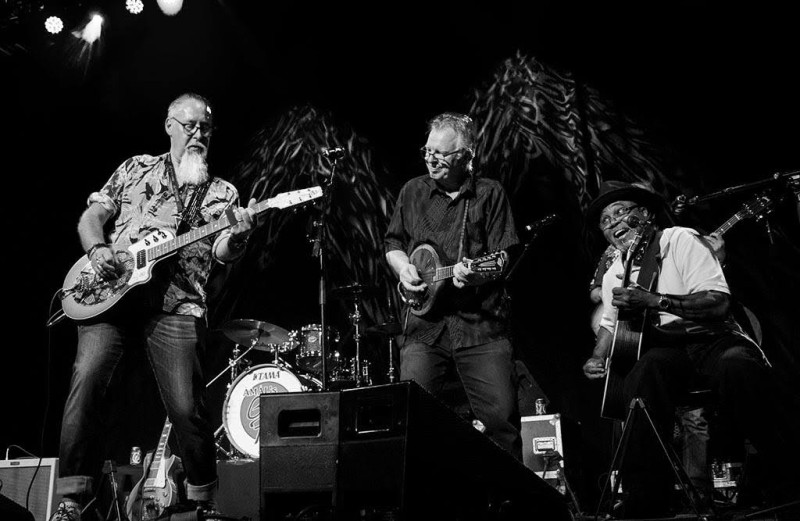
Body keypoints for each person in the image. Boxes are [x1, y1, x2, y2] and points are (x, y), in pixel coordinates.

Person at [51, 93, 258, 521]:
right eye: (190, 126)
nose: (199, 134)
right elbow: (93, 217)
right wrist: (96, 250)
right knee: (85, 381)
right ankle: (72, 499)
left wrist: (238, 236)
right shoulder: (135, 168)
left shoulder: (223, 193)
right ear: (169, 125)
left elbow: (223, 251)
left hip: (177, 305)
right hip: (111, 296)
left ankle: (202, 500)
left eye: (206, 128)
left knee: (186, 405)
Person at [582, 180, 800, 518]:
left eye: (621, 211)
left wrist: (656, 300)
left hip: (714, 337)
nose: (613, 223)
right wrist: (598, 355)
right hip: (671, 349)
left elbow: (718, 303)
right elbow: (610, 324)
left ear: (646, 214)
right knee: (643, 373)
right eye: (605, 221)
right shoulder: (616, 273)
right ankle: (648, 498)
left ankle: (787, 477)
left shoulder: (681, 239)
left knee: (737, 365)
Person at [384, 112, 522, 459]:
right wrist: (403, 270)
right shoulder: (413, 191)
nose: (430, 158)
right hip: (424, 327)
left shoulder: (490, 194)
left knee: (499, 424)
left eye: (440, 154)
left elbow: (504, 257)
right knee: (412, 422)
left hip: (481, 327)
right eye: (427, 150)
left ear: (466, 156)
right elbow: (393, 244)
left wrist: (479, 273)